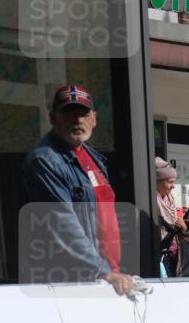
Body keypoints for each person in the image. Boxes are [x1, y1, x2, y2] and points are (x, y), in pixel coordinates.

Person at [22, 84, 134, 295]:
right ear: (53, 118)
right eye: (69, 113)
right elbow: (63, 226)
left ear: (94, 119)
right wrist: (104, 271)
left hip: (107, 278)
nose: (78, 120)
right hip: (74, 283)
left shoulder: (93, 158)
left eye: (83, 114)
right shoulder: (45, 160)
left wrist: (113, 271)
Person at [154, 158, 189, 277]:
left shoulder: (170, 199)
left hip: (173, 254)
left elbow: (175, 222)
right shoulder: (151, 201)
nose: (173, 186)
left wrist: (182, 226)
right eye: (170, 182)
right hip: (159, 255)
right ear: (158, 181)